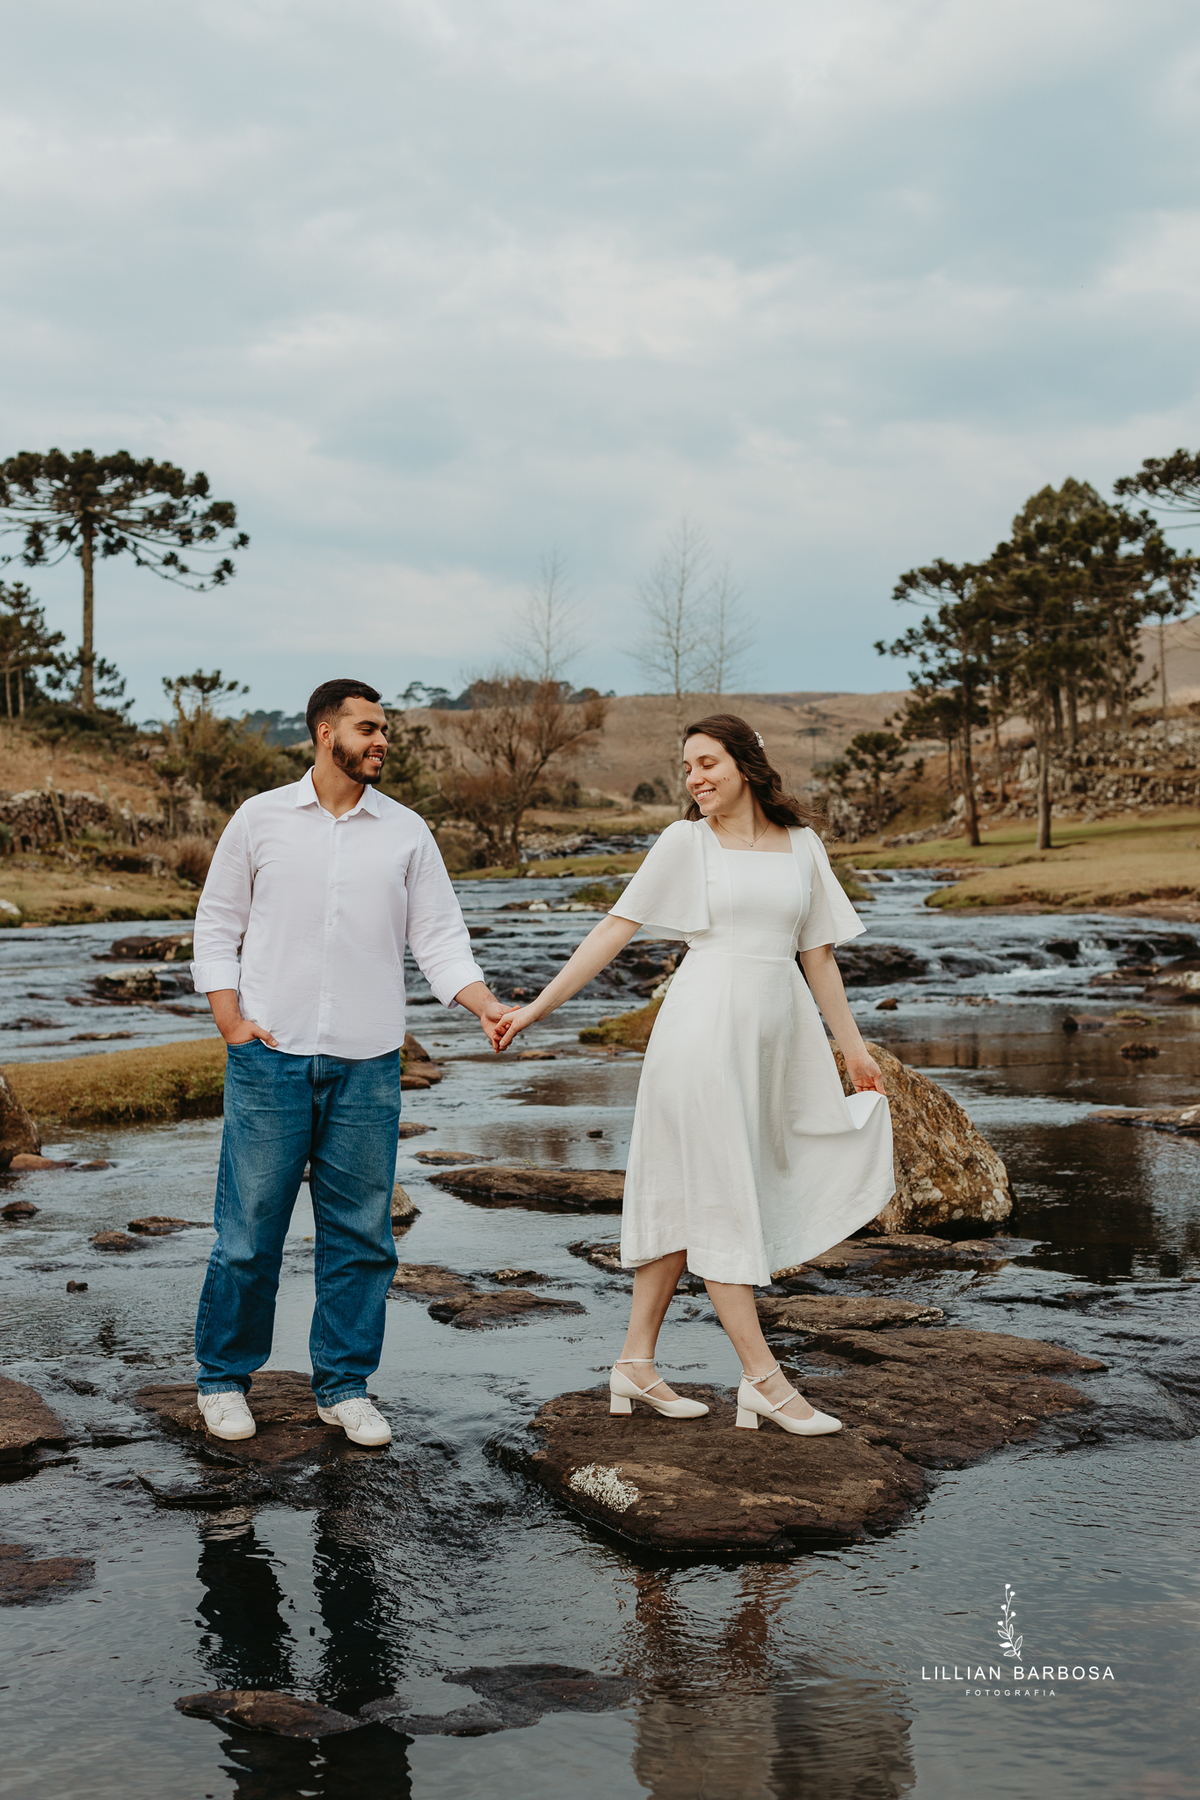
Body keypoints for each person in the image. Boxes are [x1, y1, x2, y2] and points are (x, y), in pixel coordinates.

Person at [491, 714, 895, 1438]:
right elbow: (617, 928)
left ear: (745, 763)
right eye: (686, 768)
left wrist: (855, 1050)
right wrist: (537, 1010)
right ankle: (764, 1381)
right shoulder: (686, 842)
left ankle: (634, 1365)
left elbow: (819, 956)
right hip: (703, 1032)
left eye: (707, 762)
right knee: (719, 1193)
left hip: (776, 1038)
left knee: (693, 1191)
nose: (695, 778)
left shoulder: (803, 845)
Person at [189, 678, 508, 1446]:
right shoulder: (260, 819)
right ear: (325, 732)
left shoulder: (406, 833)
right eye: (368, 728)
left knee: (363, 1236)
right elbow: (217, 922)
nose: (382, 740)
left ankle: (343, 1385)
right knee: (247, 1234)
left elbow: (438, 939)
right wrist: (229, 1019)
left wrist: (485, 1005)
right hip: (270, 1058)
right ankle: (224, 1380)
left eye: (385, 730)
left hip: (368, 1064)